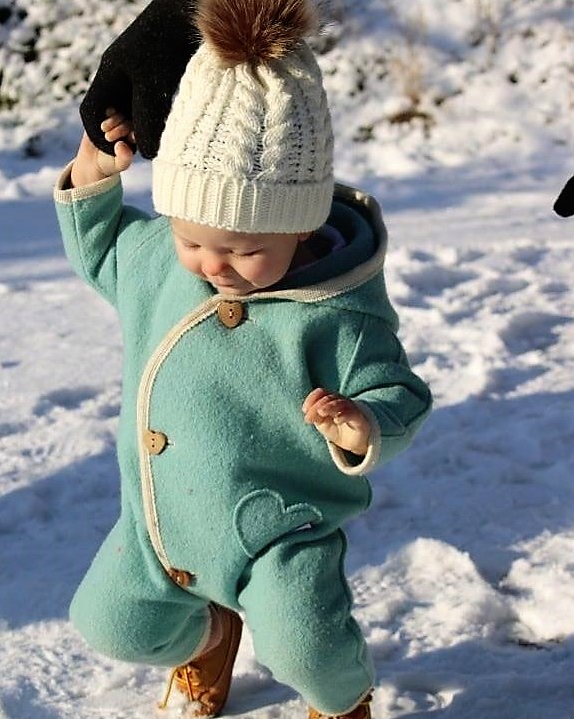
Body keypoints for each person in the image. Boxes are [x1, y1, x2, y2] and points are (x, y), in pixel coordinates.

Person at [53, 0, 432, 717]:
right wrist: (93, 168)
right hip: (159, 522)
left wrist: (361, 424)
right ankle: (209, 637)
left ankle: (343, 699)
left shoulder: (337, 309)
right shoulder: (161, 264)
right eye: (192, 239)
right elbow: (100, 249)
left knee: (307, 650)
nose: (213, 264)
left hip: (279, 530)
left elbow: (398, 392)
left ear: (301, 228)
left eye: (246, 249)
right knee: (110, 623)